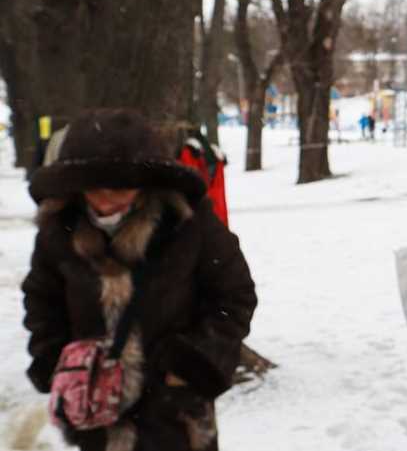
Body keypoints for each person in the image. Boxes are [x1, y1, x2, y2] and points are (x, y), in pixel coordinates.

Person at [22, 108, 257, 451]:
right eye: (94, 186)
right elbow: (42, 299)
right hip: (96, 412)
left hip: (176, 414)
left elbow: (234, 295)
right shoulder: (59, 229)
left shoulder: (191, 224)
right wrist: (54, 359)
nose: (105, 198)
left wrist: (193, 363)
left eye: (119, 186)